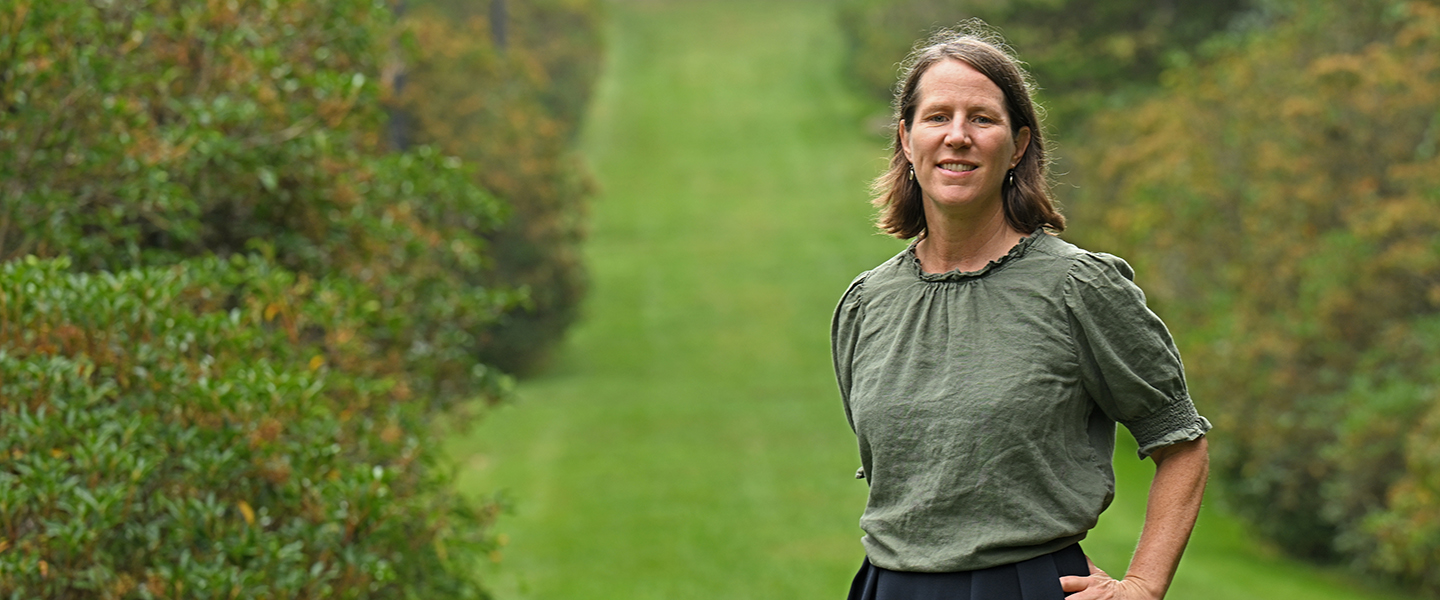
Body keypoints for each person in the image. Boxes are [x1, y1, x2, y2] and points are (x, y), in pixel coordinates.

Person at [830, 24, 1211, 600]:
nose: (957, 136)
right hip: (888, 586)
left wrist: (1142, 586)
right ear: (907, 141)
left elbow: (1180, 442)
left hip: (1022, 585)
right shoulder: (866, 304)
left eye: (982, 118)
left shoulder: (1078, 287)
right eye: (938, 117)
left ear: (1019, 145)